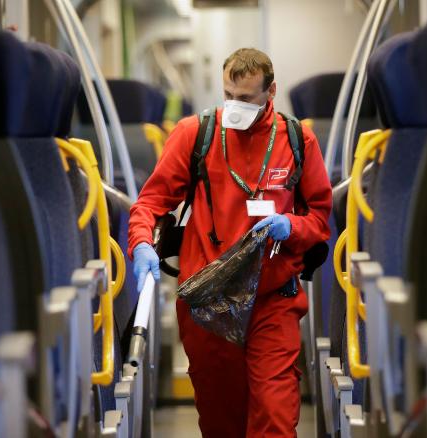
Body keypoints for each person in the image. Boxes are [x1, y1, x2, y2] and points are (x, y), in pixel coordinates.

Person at [128, 47, 332, 437]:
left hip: (273, 299)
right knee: (222, 422)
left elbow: (320, 218)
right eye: (228, 96)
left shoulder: (296, 139)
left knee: (275, 416)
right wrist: (140, 243)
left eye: (246, 98)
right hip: (209, 302)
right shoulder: (195, 134)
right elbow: (151, 202)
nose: (234, 106)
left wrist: (292, 226)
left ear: (271, 92)